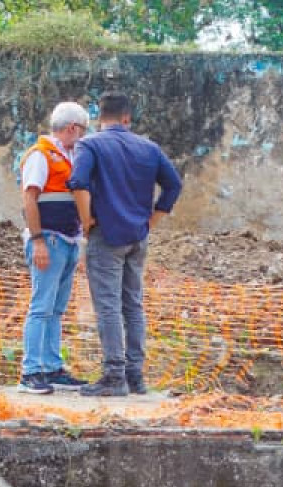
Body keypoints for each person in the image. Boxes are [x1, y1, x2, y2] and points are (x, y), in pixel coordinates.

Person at [67, 92, 183, 397]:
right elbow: (174, 184)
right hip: (137, 237)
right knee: (133, 305)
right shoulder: (149, 148)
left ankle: (114, 375)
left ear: (99, 118)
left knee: (108, 307)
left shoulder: (89, 144)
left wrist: (86, 221)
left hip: (106, 236)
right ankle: (135, 376)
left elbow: (77, 182)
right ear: (127, 119)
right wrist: (150, 222)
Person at [16, 101, 91, 395]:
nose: (84, 136)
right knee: (41, 306)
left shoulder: (69, 156)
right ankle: (32, 371)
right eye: (83, 130)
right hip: (49, 239)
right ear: (72, 128)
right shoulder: (41, 156)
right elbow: (29, 199)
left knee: (56, 309)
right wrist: (37, 241)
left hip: (68, 240)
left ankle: (51, 366)